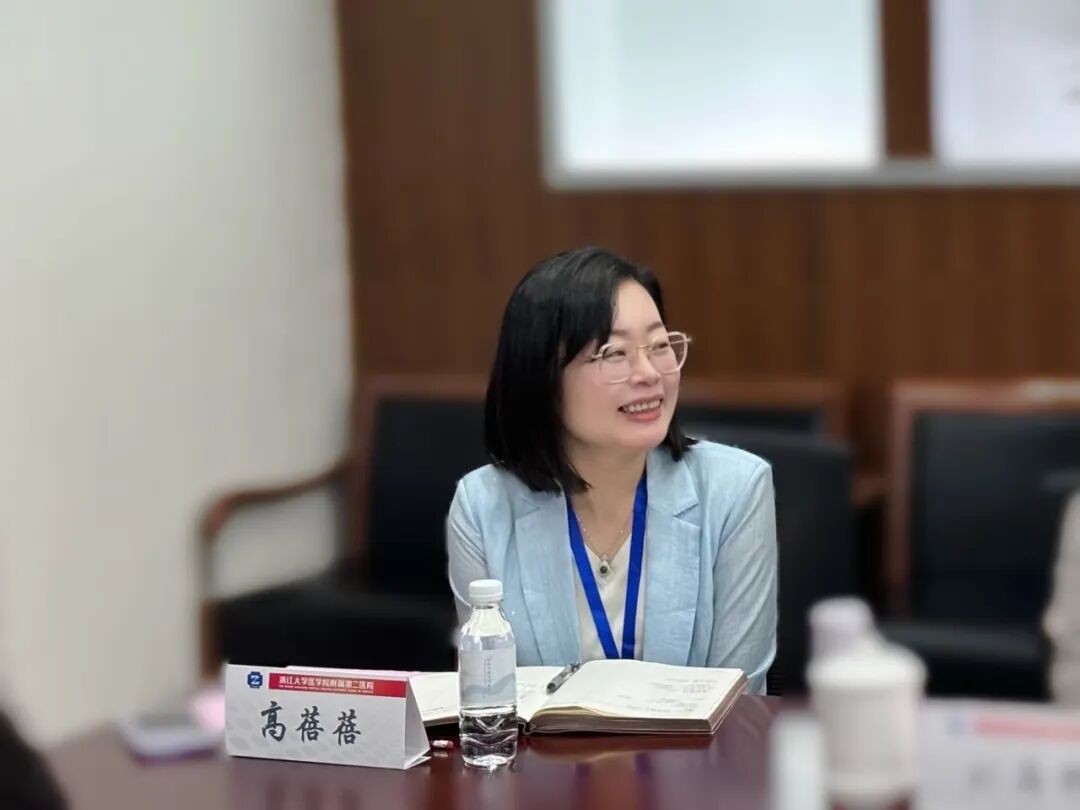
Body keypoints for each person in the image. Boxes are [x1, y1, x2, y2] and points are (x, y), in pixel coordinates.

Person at [446, 246, 777, 693]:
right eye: (613, 353)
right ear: (540, 377)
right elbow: (491, 695)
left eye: (659, 345)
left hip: (697, 743)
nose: (649, 373)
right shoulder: (482, 506)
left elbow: (738, 700)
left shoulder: (735, 490)